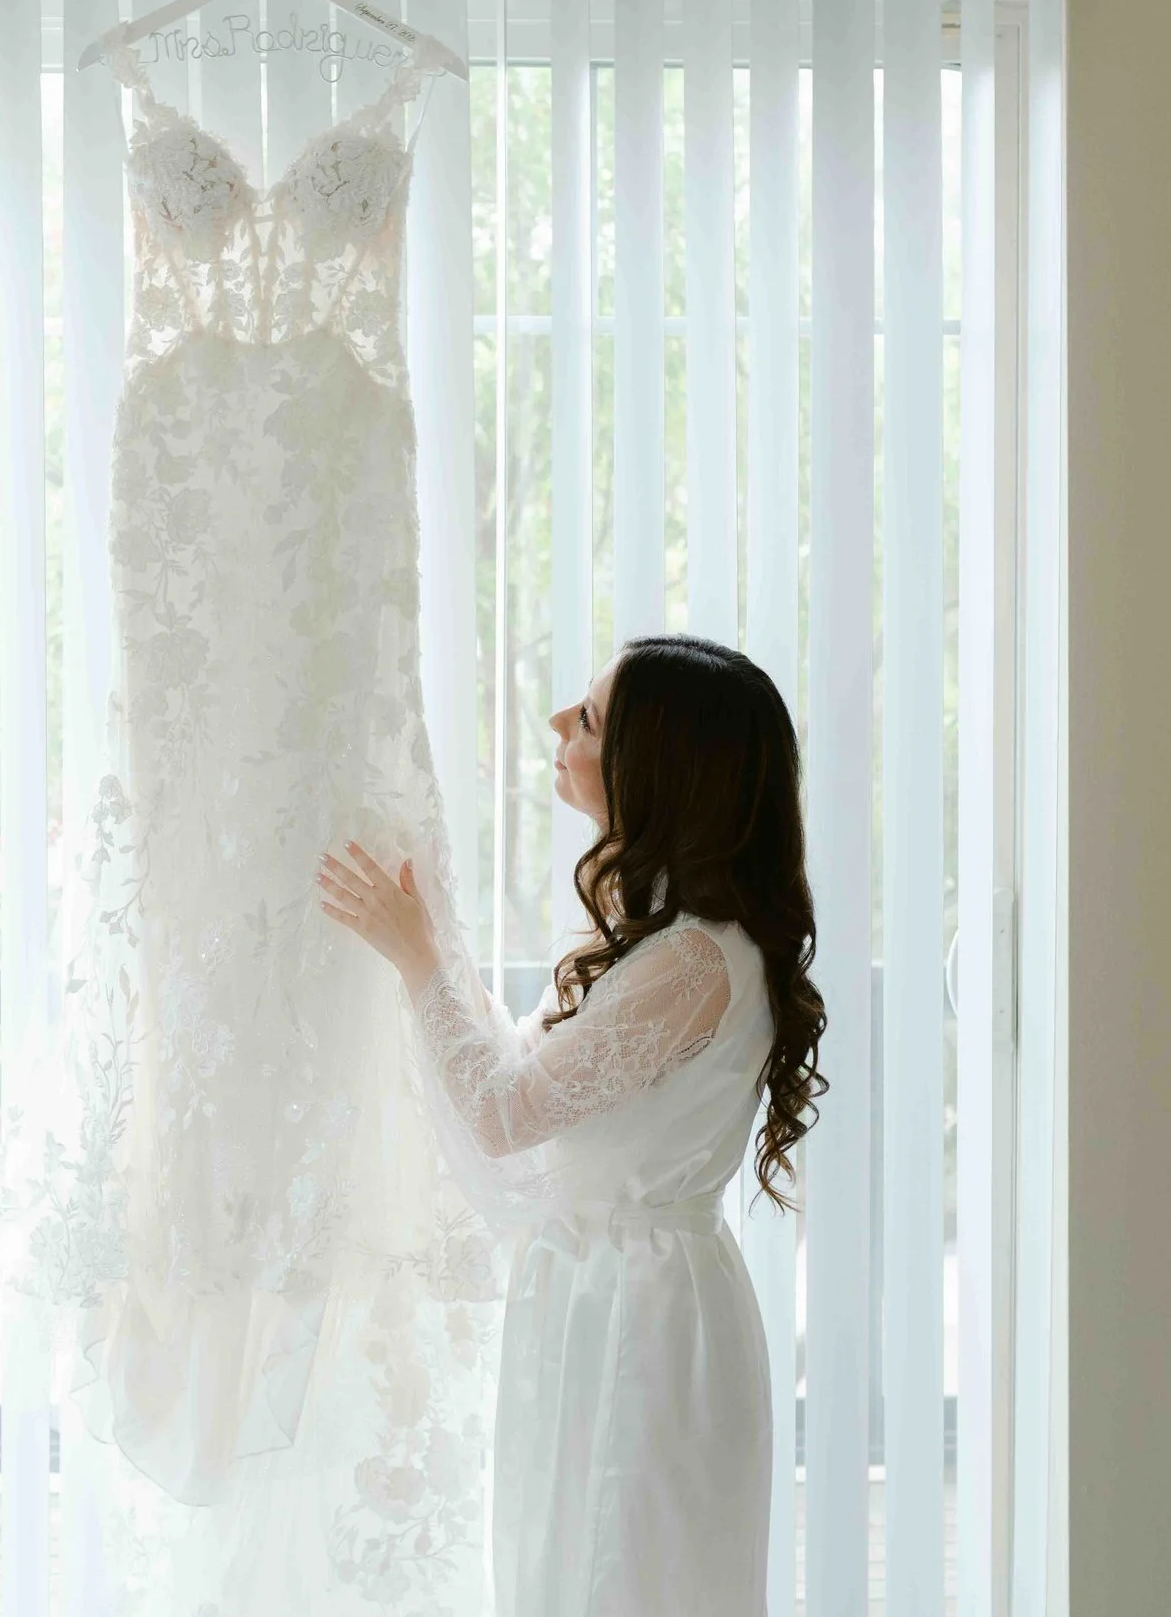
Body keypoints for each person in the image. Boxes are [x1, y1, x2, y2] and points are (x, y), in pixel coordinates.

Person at [316, 632, 828, 1616]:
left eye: (588, 717)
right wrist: (434, 943)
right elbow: (524, 1067)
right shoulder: (675, 938)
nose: (557, 722)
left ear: (657, 772)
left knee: (623, 1573)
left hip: (638, 1311)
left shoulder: (690, 963)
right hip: (612, 1288)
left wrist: (418, 959)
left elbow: (507, 1111)